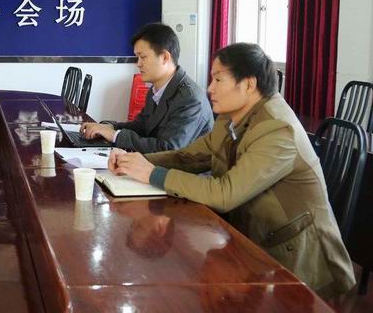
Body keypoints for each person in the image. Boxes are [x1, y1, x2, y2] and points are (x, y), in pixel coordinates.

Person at [109, 43, 356, 298]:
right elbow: (190, 157)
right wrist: (137, 161)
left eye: (218, 79)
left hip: (300, 267)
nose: (210, 88)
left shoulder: (278, 130)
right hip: (253, 246)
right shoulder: (231, 116)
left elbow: (225, 193)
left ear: (248, 84)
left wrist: (152, 174)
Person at [80, 23, 213, 153]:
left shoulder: (190, 99)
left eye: (143, 57)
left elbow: (168, 150)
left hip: (180, 167)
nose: (138, 64)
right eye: (137, 57)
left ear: (165, 57)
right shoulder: (155, 90)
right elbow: (141, 126)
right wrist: (109, 127)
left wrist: (115, 135)